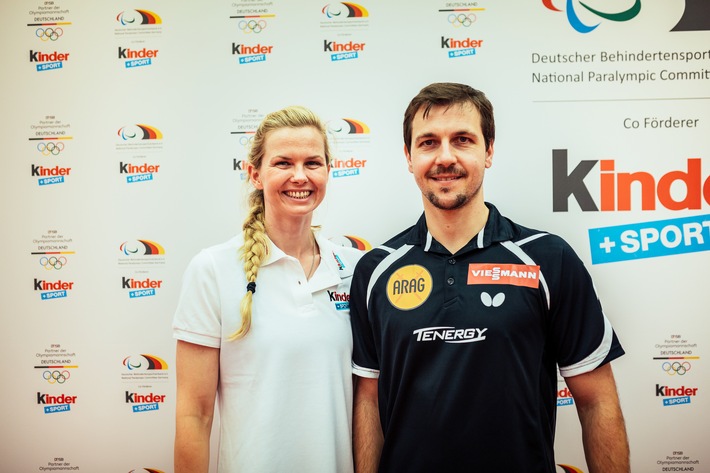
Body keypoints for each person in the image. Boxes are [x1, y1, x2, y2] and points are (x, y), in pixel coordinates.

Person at [350, 83, 630, 473]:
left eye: (462, 139)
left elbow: (596, 400)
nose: (445, 157)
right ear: (409, 157)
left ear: (489, 151)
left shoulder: (547, 259)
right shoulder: (375, 269)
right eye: (428, 142)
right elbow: (368, 398)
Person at [173, 105, 362, 473]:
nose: (299, 176)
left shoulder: (354, 269)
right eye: (283, 163)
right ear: (255, 174)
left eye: (313, 163)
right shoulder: (212, 269)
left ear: (328, 171)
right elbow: (194, 416)